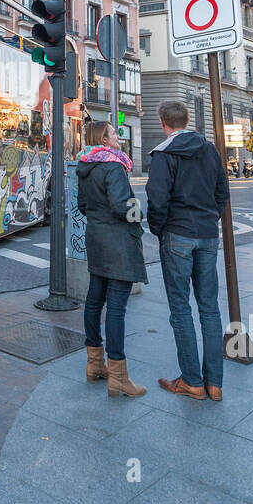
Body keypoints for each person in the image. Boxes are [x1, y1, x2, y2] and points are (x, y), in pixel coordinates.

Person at [146, 100, 230, 401]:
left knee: (180, 308)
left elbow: (156, 199)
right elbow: (223, 191)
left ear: (163, 123)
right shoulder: (210, 150)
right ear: (187, 119)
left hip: (177, 233)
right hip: (207, 233)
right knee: (210, 307)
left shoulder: (163, 154)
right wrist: (209, 218)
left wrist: (160, 228)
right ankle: (215, 383)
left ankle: (192, 381)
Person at [77, 120, 148, 398]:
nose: (118, 137)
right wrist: (139, 212)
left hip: (96, 239)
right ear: (104, 139)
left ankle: (94, 364)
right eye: (114, 133)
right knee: (117, 306)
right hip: (118, 244)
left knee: (95, 300)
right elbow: (122, 205)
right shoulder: (114, 166)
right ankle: (118, 376)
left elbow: (83, 206)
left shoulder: (87, 165)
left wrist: (99, 221)